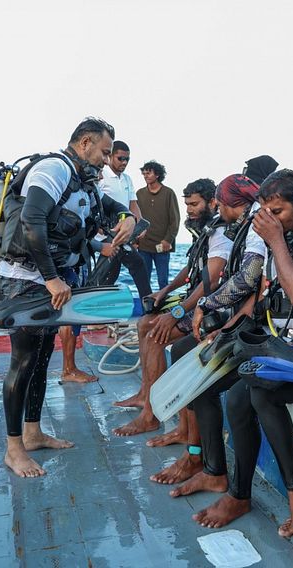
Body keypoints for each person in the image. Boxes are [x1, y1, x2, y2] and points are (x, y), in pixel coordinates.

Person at [175, 170, 293, 535]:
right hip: (274, 340)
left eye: (277, 212)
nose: (270, 220)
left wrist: (274, 240)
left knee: (243, 396)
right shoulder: (279, 235)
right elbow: (259, 292)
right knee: (208, 380)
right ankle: (218, 472)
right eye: (266, 212)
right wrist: (222, 322)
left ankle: (258, 491)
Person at [0, 117, 135, 477]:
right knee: (23, 361)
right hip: (26, 280)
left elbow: (112, 209)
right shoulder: (54, 169)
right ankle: (13, 449)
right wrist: (52, 278)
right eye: (105, 151)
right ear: (85, 142)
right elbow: (31, 220)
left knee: (42, 358)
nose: (107, 160)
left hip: (52, 282)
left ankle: (33, 433)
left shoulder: (83, 182)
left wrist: (127, 219)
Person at [111, 178, 231, 437]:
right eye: (187, 204)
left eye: (194, 204)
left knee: (155, 335)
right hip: (195, 300)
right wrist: (164, 290)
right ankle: (146, 395)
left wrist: (176, 313)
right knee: (145, 323)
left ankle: (151, 416)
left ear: (213, 202)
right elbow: (191, 267)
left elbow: (210, 282)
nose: (189, 210)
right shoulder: (205, 231)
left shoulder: (221, 234)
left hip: (212, 308)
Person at [93, 140, 153, 299]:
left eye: (127, 159)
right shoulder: (101, 176)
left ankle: (148, 302)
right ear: (110, 156)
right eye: (120, 158)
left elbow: (133, 205)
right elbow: (94, 202)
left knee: (113, 272)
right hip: (104, 235)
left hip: (123, 233)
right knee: (133, 265)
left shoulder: (127, 179)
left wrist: (140, 225)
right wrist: (98, 226)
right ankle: (149, 304)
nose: (124, 162)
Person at [137, 160, 180, 289]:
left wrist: (168, 240)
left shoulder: (169, 193)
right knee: (144, 280)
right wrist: (134, 240)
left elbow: (175, 219)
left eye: (148, 173)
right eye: (144, 173)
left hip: (162, 245)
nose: (145, 176)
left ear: (157, 175)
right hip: (143, 245)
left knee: (163, 281)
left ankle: (162, 302)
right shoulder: (139, 193)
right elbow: (135, 218)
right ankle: (146, 302)